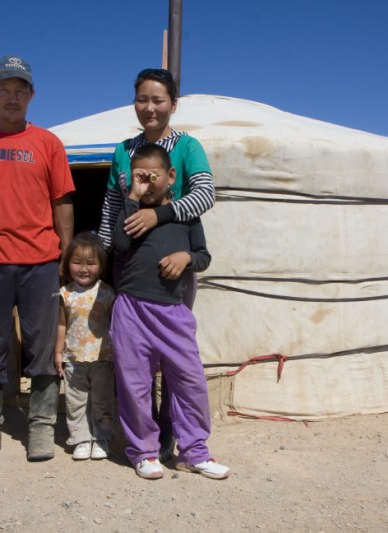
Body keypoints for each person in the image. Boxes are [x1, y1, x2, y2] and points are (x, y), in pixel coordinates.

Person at [0, 54, 75, 462]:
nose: (12, 97)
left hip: (40, 259)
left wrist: (65, 250)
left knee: (41, 346)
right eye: (4, 89)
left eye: (20, 90)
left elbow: (62, 200)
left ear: (32, 95)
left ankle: (40, 428)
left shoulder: (48, 143)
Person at [98, 68, 216, 461]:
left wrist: (159, 217)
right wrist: (101, 259)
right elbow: (112, 207)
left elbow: (204, 195)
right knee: (136, 363)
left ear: (173, 104)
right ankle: (144, 442)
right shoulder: (123, 149)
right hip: (129, 272)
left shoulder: (187, 146)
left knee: (176, 360)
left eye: (158, 100)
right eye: (142, 99)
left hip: (172, 272)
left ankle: (174, 435)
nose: (149, 107)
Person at [111, 144, 229, 480]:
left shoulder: (187, 215)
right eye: (139, 176)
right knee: (135, 385)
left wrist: (186, 258)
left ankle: (195, 451)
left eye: (153, 176)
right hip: (132, 310)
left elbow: (203, 256)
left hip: (173, 313)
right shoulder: (131, 211)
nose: (147, 183)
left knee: (190, 381)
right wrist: (131, 197)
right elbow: (118, 242)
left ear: (172, 176)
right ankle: (144, 452)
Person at [55, 232, 116, 461]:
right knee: (75, 401)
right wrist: (58, 352)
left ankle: (100, 438)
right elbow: (62, 325)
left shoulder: (107, 292)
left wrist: (117, 355)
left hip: (103, 358)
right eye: (77, 262)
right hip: (73, 358)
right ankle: (80, 438)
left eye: (91, 263)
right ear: (67, 262)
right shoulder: (65, 293)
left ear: (101, 266)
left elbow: (114, 325)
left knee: (102, 400)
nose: (84, 268)